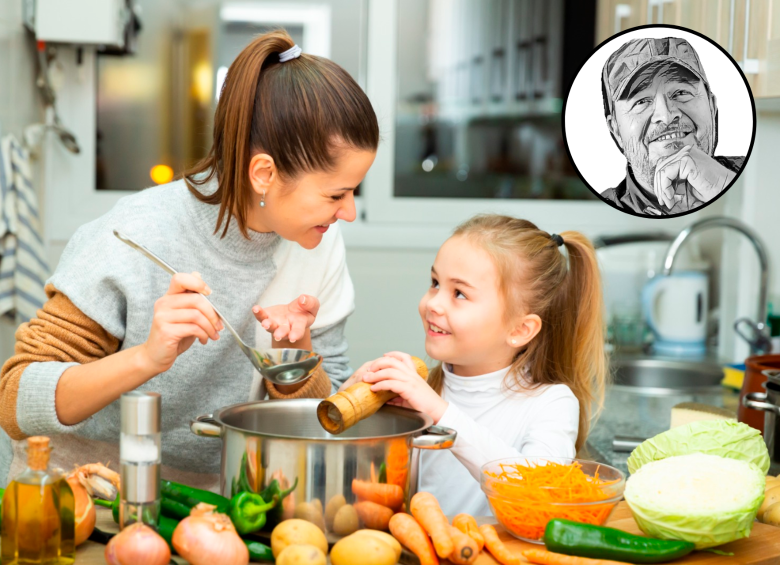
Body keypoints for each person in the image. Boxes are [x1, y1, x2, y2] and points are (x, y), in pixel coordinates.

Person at [0, 30, 379, 488]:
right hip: (80, 494)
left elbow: (333, 408)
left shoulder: (320, 243)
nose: (350, 212)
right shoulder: (135, 233)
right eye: (337, 193)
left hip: (217, 504)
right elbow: (15, 400)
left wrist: (297, 363)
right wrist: (146, 358)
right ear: (264, 173)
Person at [340, 214, 607, 516]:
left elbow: (537, 495)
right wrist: (353, 402)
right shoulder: (422, 391)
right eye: (435, 283)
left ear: (519, 330)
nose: (433, 304)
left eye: (459, 293)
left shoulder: (551, 403)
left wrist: (440, 412)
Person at [600, 37, 744, 216]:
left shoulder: (762, 175)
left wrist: (723, 188)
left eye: (682, 92)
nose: (666, 116)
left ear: (712, 108)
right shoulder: (596, 213)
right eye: (642, 101)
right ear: (615, 131)